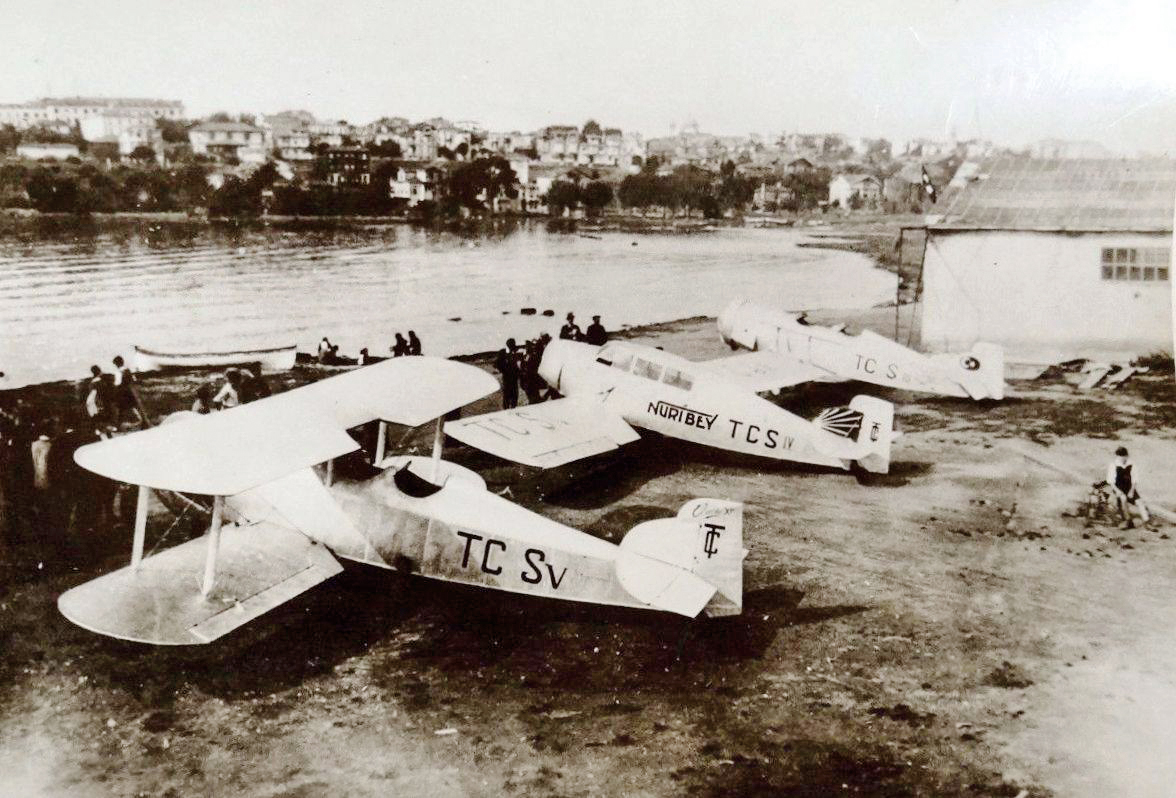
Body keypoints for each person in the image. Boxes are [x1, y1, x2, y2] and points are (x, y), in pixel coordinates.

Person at [1106, 446, 1151, 528]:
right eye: (1119, 457)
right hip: (1118, 488)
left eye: (1123, 457)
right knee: (1123, 499)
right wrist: (1117, 491)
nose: (1121, 459)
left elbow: (1134, 479)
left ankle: (1147, 521)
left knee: (1140, 502)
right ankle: (1127, 520)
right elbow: (1111, 482)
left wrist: (1131, 491)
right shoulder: (1113, 465)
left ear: (1126, 456)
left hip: (1129, 488)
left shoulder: (1131, 465)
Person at [111, 355, 145, 429]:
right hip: (132, 391)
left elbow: (117, 384)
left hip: (123, 394)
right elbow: (134, 380)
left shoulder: (118, 372)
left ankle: (119, 427)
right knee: (136, 407)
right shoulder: (128, 370)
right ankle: (143, 422)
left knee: (121, 410)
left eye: (115, 364)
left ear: (117, 364)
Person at [494, 339, 521, 409]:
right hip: (507, 379)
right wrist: (504, 370)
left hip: (514, 379)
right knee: (507, 397)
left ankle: (513, 410)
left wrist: (518, 373)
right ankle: (506, 412)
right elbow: (496, 364)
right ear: (508, 345)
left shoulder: (514, 352)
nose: (513, 346)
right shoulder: (503, 352)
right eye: (512, 344)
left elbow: (516, 365)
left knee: (514, 397)